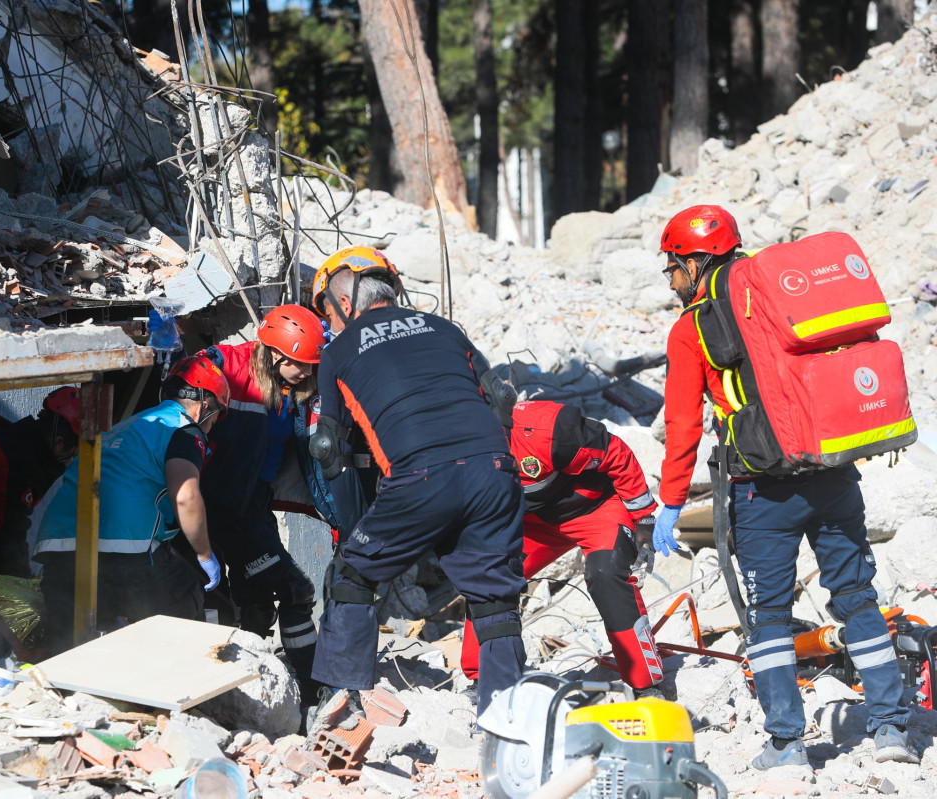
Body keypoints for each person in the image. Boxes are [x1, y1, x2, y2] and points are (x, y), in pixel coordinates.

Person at [652, 204, 916, 768]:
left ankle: (787, 745)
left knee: (768, 618)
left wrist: (670, 502)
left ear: (695, 262)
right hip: (834, 473)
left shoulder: (690, 329)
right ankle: (892, 730)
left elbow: (682, 425)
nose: (672, 281)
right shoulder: (789, 296)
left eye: (672, 267)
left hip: (760, 489)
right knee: (857, 597)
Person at [308, 246, 525, 716]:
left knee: (352, 573)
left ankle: (342, 709)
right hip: (494, 470)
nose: (328, 322)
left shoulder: (339, 351)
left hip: (419, 478)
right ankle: (505, 720)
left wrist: (352, 527)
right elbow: (501, 398)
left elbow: (328, 445)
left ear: (345, 303)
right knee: (494, 600)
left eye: (327, 310)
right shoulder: (446, 329)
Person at [460, 399, 665, 696]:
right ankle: (485, 679)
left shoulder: (548, 428)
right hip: (533, 523)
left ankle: (645, 684)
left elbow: (615, 452)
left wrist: (644, 517)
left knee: (606, 575)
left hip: (597, 508)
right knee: (486, 576)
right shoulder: (451, 451)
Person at [34, 356, 229, 655]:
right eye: (217, 415)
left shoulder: (128, 425)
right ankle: (170, 686)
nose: (214, 424)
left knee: (66, 643)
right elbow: (186, 496)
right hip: (125, 546)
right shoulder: (185, 431)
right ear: (205, 404)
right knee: (184, 593)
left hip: (58, 545)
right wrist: (204, 555)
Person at [200, 303, 339, 704]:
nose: (308, 373)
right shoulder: (229, 367)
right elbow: (190, 380)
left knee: (257, 602)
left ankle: (249, 689)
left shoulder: (291, 388)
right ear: (276, 353)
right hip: (222, 509)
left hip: (253, 506)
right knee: (294, 590)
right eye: (302, 364)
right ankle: (312, 693)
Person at [0, 387, 82, 577]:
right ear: (59, 443)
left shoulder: (7, 434)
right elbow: (8, 541)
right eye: (75, 455)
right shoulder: (18, 466)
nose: (72, 465)